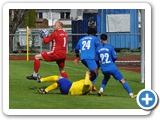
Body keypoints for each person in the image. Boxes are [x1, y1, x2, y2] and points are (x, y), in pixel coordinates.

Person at [95, 34, 137, 98]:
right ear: (107, 39)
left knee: (106, 77)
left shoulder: (98, 48)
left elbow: (97, 59)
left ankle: (101, 89)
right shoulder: (110, 47)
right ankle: (131, 94)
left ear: (101, 40)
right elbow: (115, 57)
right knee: (122, 80)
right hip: (111, 67)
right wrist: (112, 61)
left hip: (104, 68)